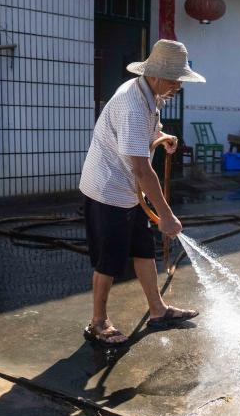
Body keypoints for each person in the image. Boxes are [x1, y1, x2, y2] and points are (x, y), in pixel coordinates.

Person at [79, 40, 205, 347]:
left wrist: (164, 137)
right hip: (108, 189)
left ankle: (158, 309)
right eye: (175, 80)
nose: (178, 86)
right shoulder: (133, 104)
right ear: (159, 76)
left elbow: (146, 135)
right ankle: (97, 322)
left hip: (129, 189)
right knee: (109, 259)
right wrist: (166, 214)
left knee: (143, 248)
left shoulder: (150, 95)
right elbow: (142, 169)